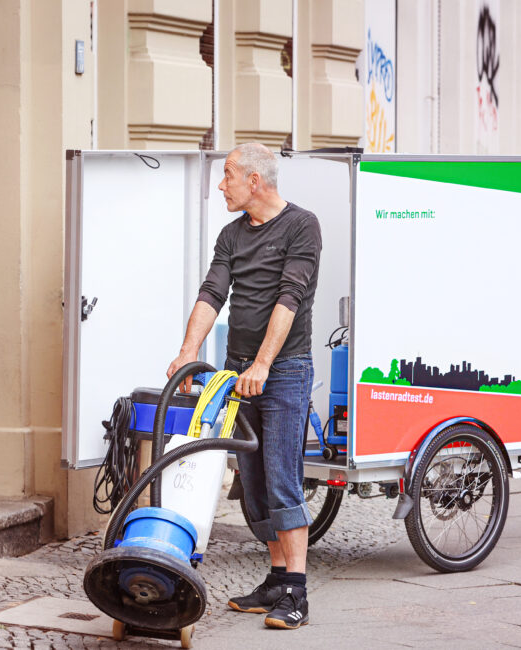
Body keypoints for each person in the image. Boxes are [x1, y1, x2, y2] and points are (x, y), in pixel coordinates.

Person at [166, 142, 321, 630]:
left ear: (255, 180)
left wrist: (262, 364)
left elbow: (289, 298)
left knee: (280, 479)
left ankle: (296, 593)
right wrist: (189, 351)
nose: (221, 183)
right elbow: (213, 292)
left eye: (228, 175)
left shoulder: (302, 226)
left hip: (284, 371)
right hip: (238, 370)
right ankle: (276, 579)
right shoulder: (232, 235)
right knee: (252, 485)